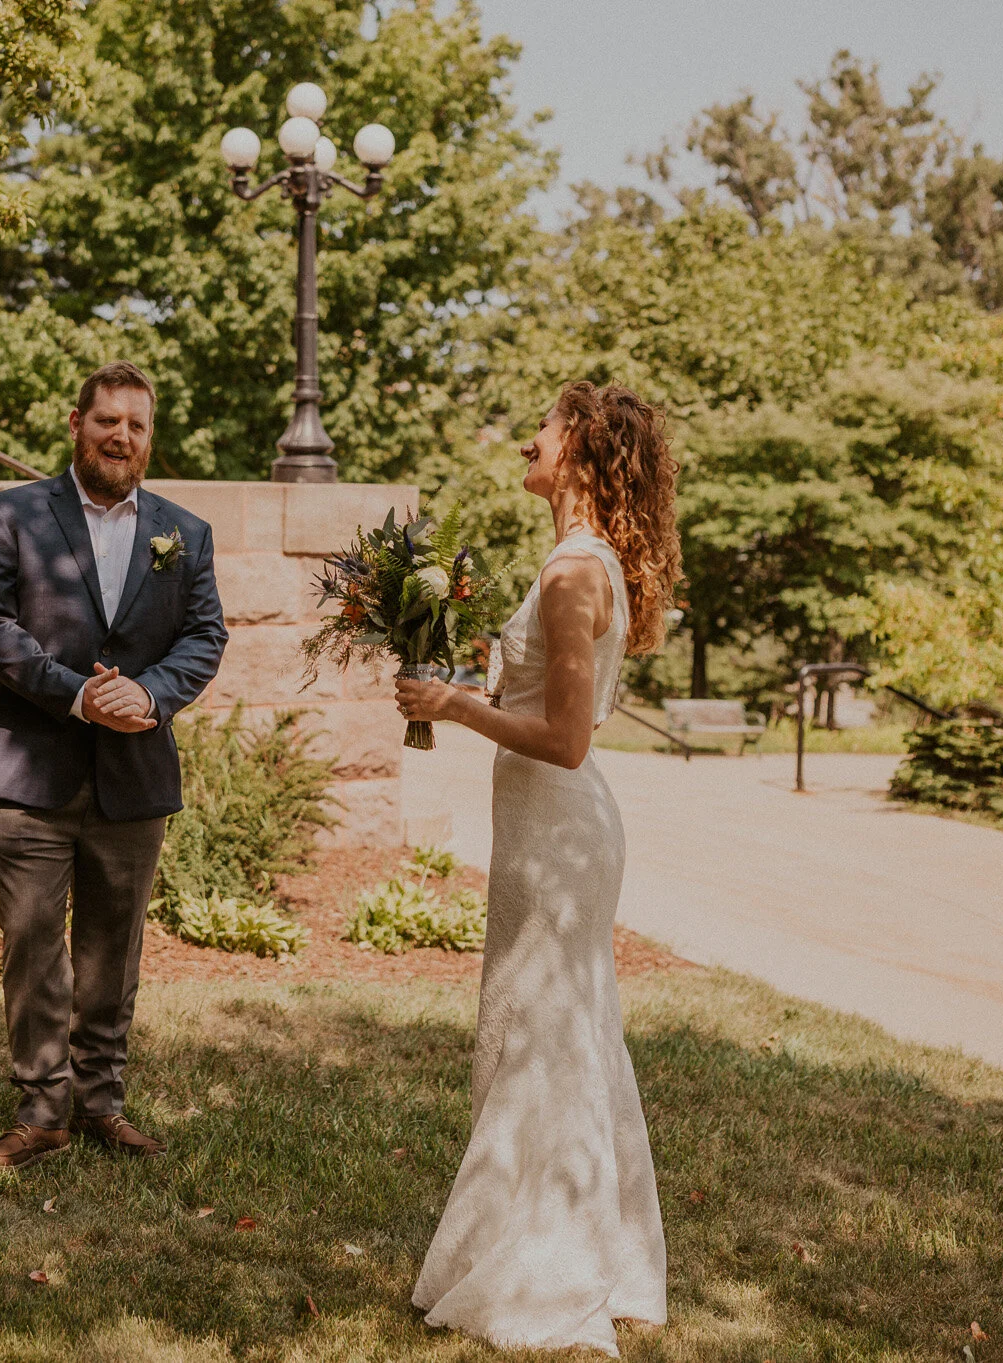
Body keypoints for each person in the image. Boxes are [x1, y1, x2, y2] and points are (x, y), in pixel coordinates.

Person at [396, 381, 680, 1354]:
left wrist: (452, 707)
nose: (530, 437)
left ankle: (543, 1260)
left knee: (544, 1034)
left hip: (557, 827)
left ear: (582, 450)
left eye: (546, 429)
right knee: (556, 1030)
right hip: (547, 828)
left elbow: (562, 739)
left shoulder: (570, 572)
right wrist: (472, 687)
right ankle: (585, 1238)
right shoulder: (578, 562)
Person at [0, 361, 228, 1171]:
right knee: (33, 945)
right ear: (76, 423)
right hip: (30, 771)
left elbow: (205, 636)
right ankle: (40, 1110)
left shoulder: (187, 533)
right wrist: (79, 696)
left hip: (134, 775)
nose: (121, 435)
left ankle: (102, 1103)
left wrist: (147, 696)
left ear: (150, 439)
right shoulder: (11, 514)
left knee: (116, 946)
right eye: (107, 419)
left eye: (136, 425)